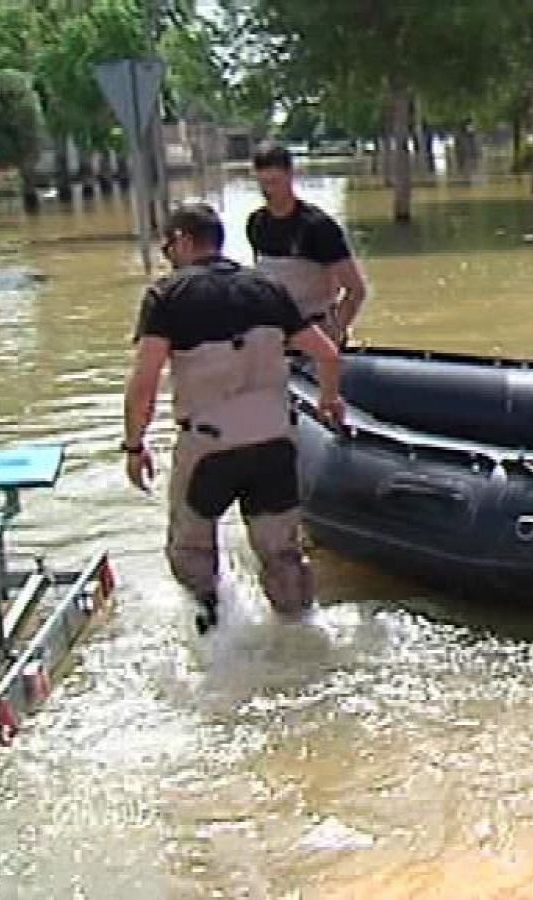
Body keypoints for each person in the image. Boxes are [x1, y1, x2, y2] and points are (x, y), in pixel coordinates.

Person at [123, 204, 346, 634]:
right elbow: (327, 355)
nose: (168, 255)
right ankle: (302, 636)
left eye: (169, 246)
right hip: (274, 442)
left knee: (191, 550)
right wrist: (330, 400)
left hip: (209, 446)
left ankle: (213, 634)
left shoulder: (166, 296)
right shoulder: (267, 288)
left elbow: (144, 382)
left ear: (185, 241)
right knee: (282, 556)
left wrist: (134, 446)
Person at [247, 142, 369, 346]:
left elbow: (356, 289)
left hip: (316, 331)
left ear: (291, 175)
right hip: (274, 335)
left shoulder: (318, 226)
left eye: (274, 182)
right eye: (263, 183)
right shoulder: (256, 223)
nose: (268, 191)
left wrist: (335, 332)